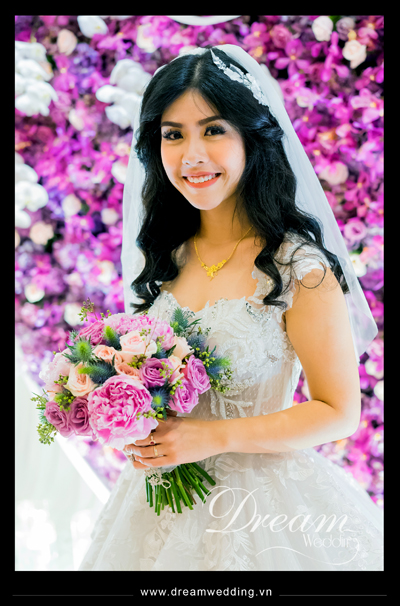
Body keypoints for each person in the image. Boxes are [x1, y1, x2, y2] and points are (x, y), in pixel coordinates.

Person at [78, 45, 383, 571]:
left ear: (251, 137)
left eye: (213, 130)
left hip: (260, 514)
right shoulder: (166, 258)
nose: (191, 155)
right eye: (173, 135)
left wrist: (213, 436)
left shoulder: (297, 267)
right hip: (157, 507)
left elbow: (339, 412)